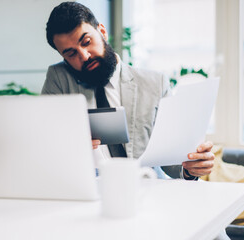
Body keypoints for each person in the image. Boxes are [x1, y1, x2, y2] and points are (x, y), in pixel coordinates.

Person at [42, 2, 215, 181]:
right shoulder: (59, 78)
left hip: (147, 191)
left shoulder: (155, 84)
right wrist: (69, 146)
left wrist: (191, 168)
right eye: (71, 54)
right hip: (88, 192)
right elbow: (44, 146)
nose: (84, 56)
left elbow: (173, 162)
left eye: (87, 42)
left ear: (102, 32)